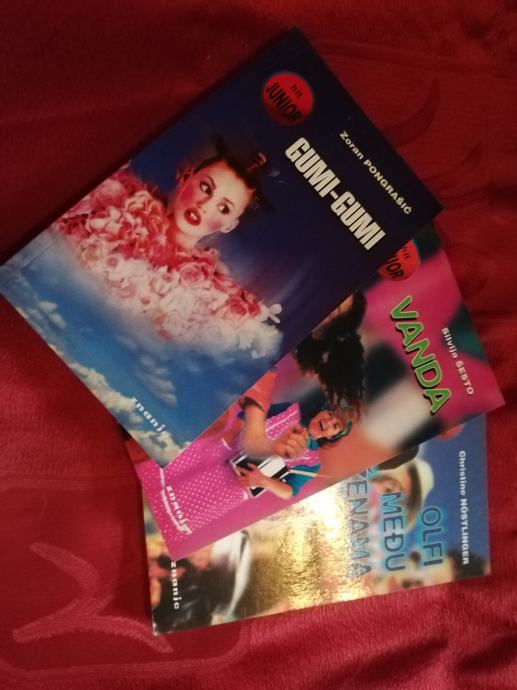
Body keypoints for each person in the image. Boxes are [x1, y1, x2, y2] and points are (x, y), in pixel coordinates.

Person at [52, 140, 282, 355]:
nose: (204, 205)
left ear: (229, 225)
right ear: (186, 176)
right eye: (206, 187)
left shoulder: (207, 294)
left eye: (224, 209)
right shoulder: (116, 203)